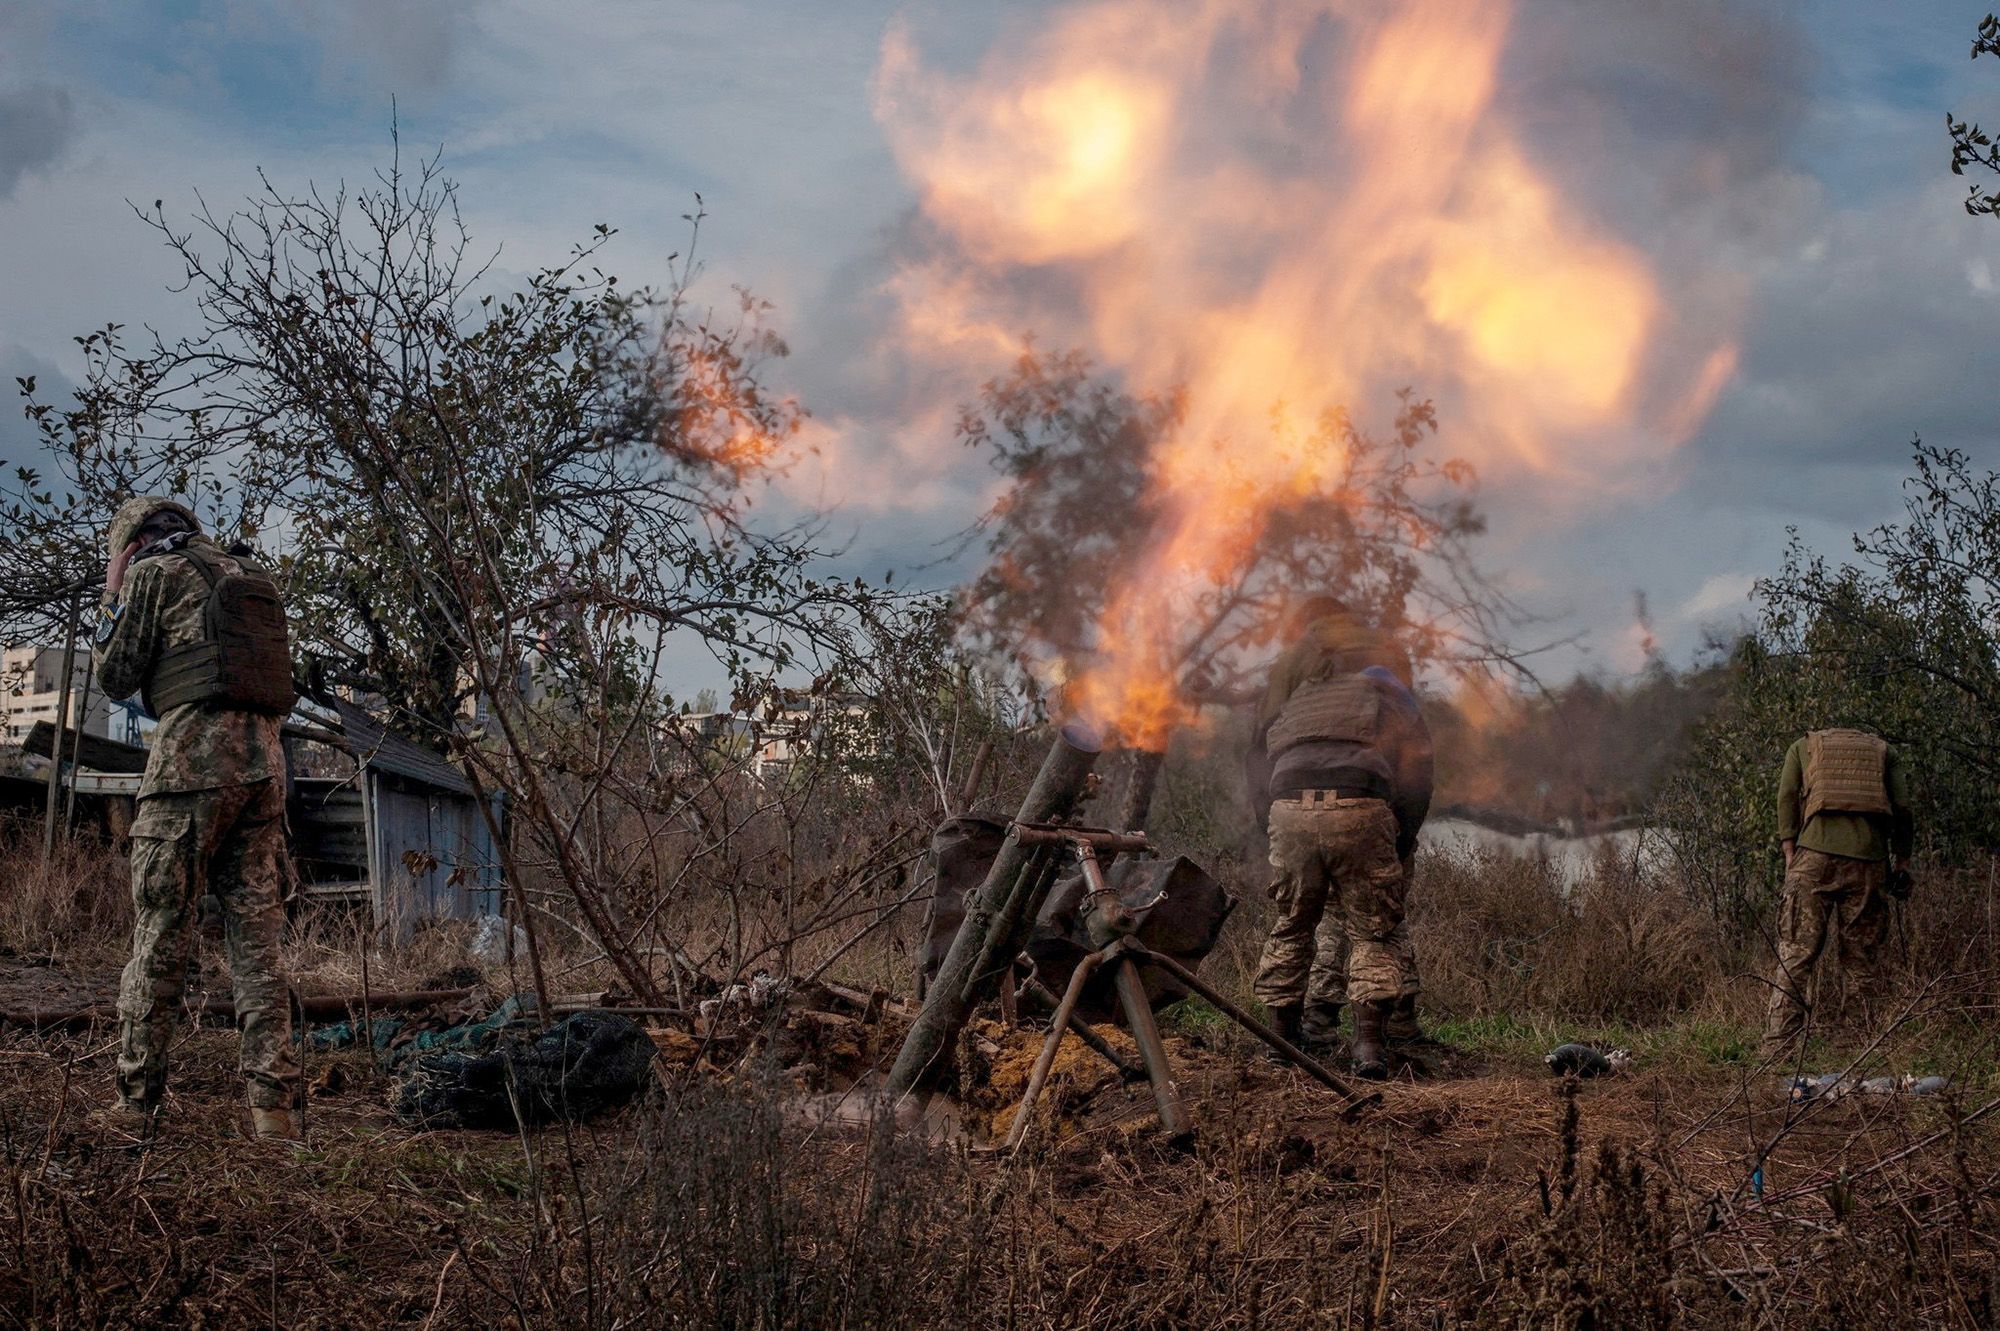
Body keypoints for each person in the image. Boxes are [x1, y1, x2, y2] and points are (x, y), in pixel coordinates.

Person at [88, 496, 303, 1140]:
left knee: (161, 930)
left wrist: (114, 588)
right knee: (258, 944)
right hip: (265, 772)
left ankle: (136, 1104)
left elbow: (114, 675)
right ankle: (274, 1114)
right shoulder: (246, 573)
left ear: (132, 541)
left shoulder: (153, 574)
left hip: (189, 772)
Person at [1249, 597, 1418, 1079]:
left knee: (1292, 924)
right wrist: (1401, 836)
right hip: (1361, 801)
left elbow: (1256, 755)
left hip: (1287, 804)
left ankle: (1281, 1042)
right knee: (1373, 929)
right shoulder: (1384, 670)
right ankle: (1368, 1048)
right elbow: (1417, 760)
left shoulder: (1291, 677)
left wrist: (1270, 819)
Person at [1299, 665, 1433, 1051]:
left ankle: (1318, 1020)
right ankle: (1398, 1021)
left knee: (1331, 920)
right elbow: (1418, 783)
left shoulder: (1326, 711)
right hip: (1375, 827)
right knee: (1384, 922)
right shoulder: (1402, 709)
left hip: (1307, 823)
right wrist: (1401, 844)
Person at [1761, 726, 1913, 1059]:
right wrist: (1902, 860)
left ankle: (1779, 1046)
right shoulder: (1885, 751)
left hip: (1813, 860)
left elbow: (1786, 795)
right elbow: (1902, 807)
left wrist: (1789, 848)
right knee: (1861, 959)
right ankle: (1854, 1046)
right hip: (1869, 861)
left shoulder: (1802, 746)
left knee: (1796, 952)